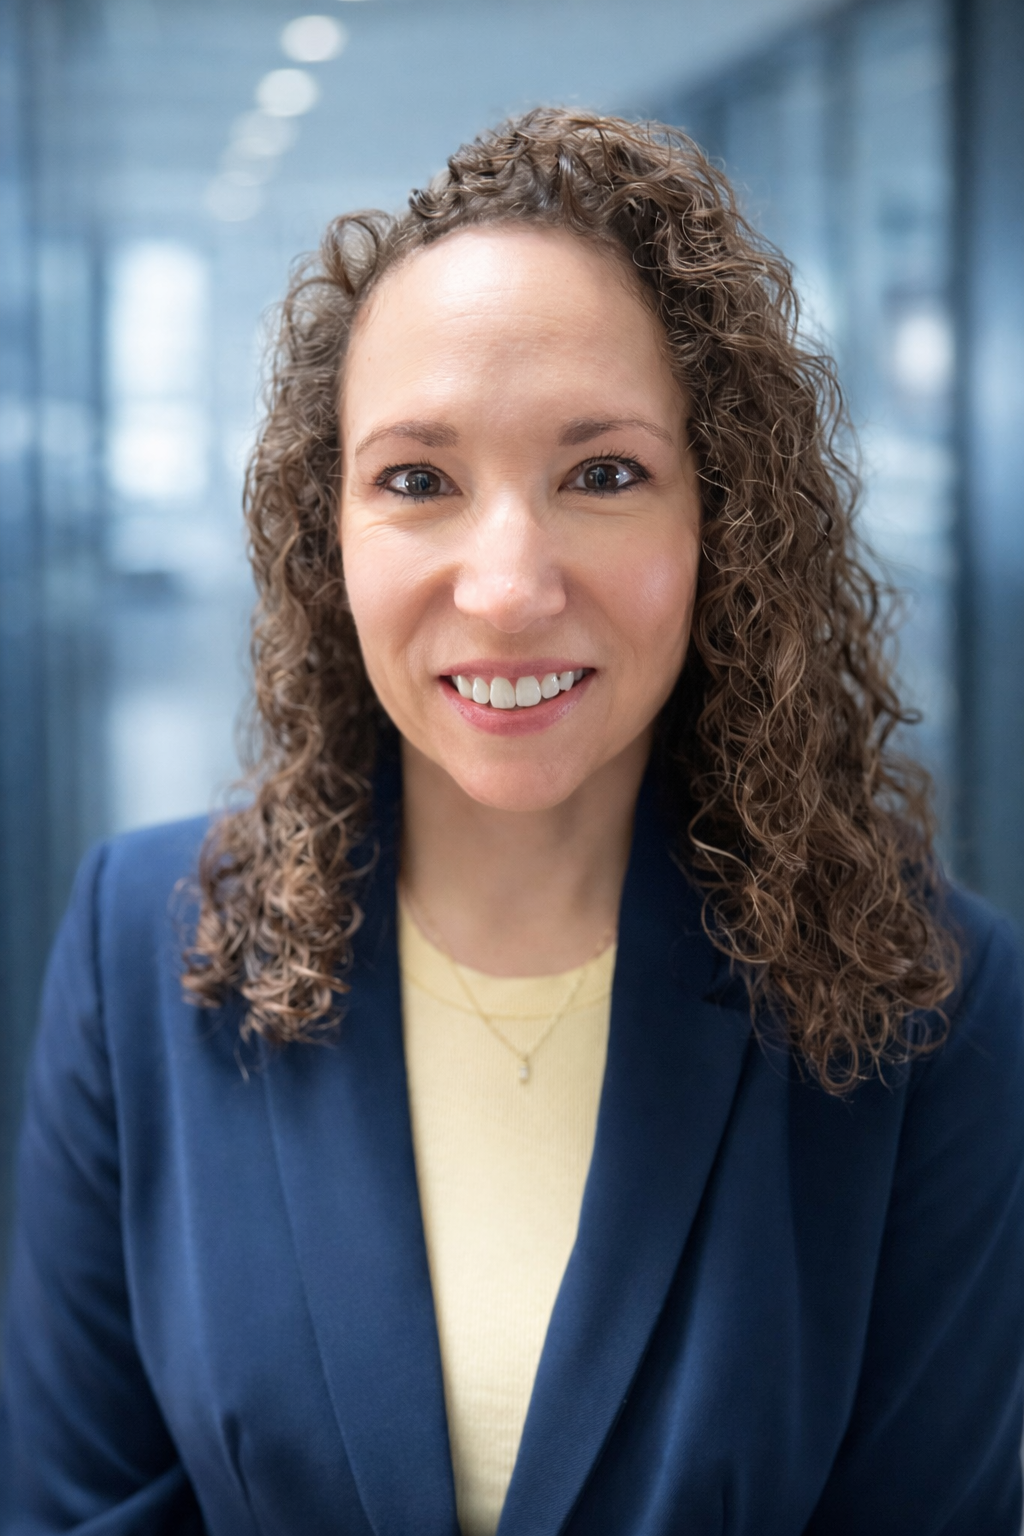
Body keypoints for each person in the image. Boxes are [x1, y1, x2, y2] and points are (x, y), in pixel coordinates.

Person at [1, 108, 1022, 1536]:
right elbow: (71, 1506)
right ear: (329, 530)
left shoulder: (932, 1002)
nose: (507, 587)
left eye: (603, 475)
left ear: (722, 523)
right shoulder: (145, 943)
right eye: (417, 480)